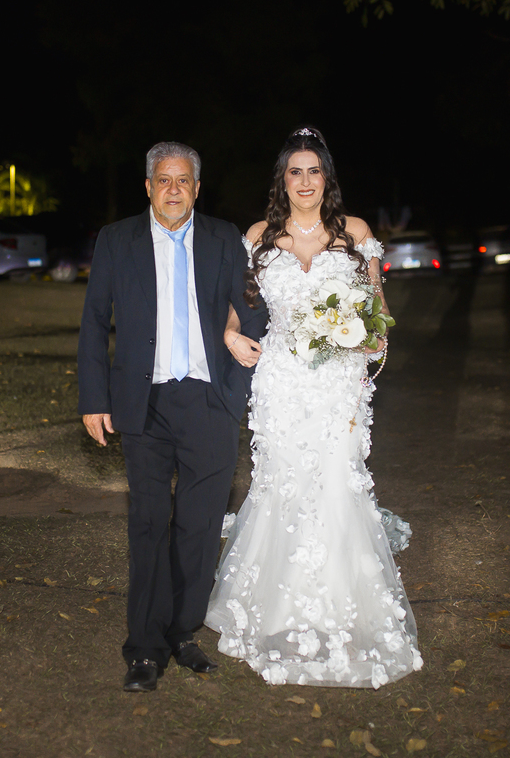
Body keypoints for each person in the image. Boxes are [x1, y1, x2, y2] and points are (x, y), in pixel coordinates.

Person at [205, 127, 423, 688]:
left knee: (335, 480)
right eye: (295, 171)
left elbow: (377, 309)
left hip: (338, 383)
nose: (305, 181)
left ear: (327, 178)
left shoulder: (355, 233)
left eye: (314, 171)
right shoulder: (258, 235)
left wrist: (371, 338)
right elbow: (240, 303)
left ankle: (341, 601)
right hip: (279, 380)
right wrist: (230, 334)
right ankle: (275, 605)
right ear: (283, 180)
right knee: (282, 481)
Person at [78, 142, 266, 693]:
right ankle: (144, 647)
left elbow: (252, 306)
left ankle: (183, 633)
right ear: (148, 187)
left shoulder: (224, 237)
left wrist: (236, 335)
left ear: (197, 188)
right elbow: (94, 321)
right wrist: (94, 398)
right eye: (164, 179)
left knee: (200, 526)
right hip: (144, 403)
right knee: (149, 521)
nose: (174, 189)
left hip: (209, 402)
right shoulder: (117, 240)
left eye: (184, 180)